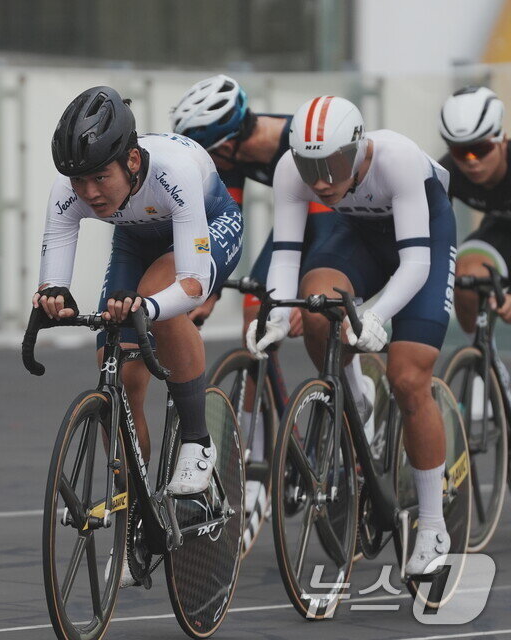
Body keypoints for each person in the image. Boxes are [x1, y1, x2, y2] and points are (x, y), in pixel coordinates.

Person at [247, 95, 457, 576]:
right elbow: (285, 254)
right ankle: (356, 394)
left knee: (407, 378)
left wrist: (377, 315)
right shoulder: (289, 171)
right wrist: (276, 317)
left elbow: (416, 264)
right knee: (317, 307)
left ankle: (431, 524)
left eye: (333, 164)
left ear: (359, 149)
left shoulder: (397, 158)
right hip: (358, 238)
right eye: (309, 166)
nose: (320, 181)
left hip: (422, 243)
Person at [170, 75, 372, 515]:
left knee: (317, 313)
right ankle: (255, 459)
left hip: (330, 223)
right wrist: (209, 290)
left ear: (226, 144)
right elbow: (227, 224)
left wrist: (299, 298)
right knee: (254, 322)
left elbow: (316, 237)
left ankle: (358, 393)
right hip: (293, 224)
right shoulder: (231, 157)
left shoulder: (299, 143)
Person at [34, 85, 243, 504]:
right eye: (79, 181)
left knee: (155, 302)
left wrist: (150, 306)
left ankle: (198, 441)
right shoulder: (69, 187)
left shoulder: (174, 170)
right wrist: (52, 299)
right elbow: (52, 278)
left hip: (209, 228)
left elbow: (192, 284)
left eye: (99, 178)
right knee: (121, 372)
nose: (89, 193)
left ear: (132, 161)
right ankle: (136, 517)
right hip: (136, 240)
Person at [438, 86, 511, 331]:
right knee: (465, 276)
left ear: (501, 138)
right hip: (499, 231)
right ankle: (479, 357)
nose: (472, 162)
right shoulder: (447, 172)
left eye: (481, 149)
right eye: (460, 151)